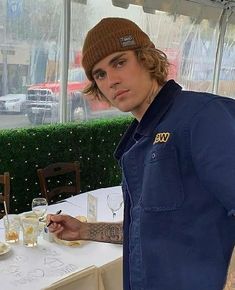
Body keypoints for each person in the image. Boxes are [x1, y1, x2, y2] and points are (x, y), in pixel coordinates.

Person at [47, 17, 235, 290]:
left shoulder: (202, 117)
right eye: (99, 74)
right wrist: (84, 230)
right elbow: (147, 229)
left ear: (147, 59)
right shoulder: (140, 137)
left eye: (119, 62)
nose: (111, 80)